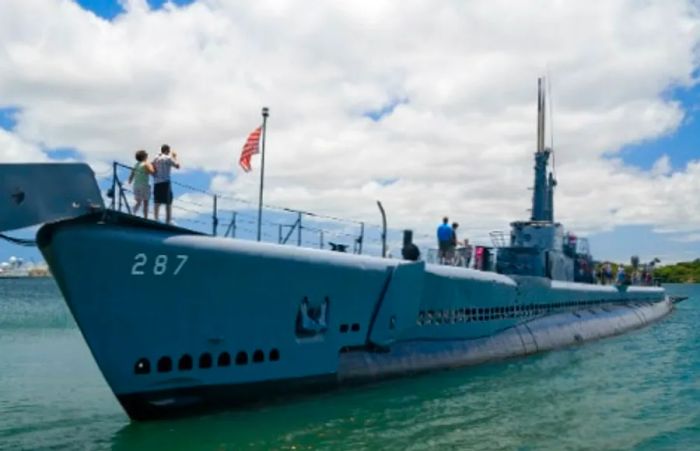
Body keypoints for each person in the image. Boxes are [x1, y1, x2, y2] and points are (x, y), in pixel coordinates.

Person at [151, 144, 181, 224]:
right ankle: (168, 221)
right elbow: (177, 166)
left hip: (156, 182)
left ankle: (155, 218)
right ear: (167, 150)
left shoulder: (156, 158)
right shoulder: (168, 158)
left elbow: (151, 166)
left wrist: (154, 174)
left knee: (157, 201)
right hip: (165, 182)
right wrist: (174, 157)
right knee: (168, 201)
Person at [128, 150, 155, 219]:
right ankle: (145, 218)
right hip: (144, 185)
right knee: (146, 202)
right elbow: (152, 172)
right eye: (146, 154)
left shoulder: (136, 165)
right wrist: (152, 166)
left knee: (139, 202)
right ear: (144, 156)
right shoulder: (146, 163)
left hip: (136, 186)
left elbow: (131, 176)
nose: (147, 155)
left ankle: (133, 212)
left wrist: (129, 181)